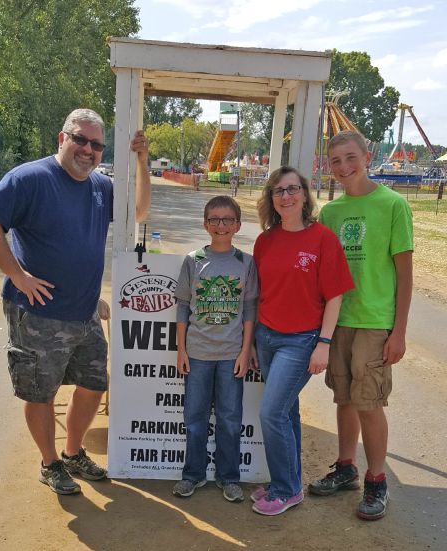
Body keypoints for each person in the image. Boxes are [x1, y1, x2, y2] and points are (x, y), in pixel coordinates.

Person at [0, 108, 151, 495]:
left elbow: (138, 211)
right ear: (61, 138)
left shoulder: (99, 186)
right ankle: (50, 462)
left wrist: (142, 160)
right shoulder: (30, 178)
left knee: (93, 384)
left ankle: (72, 452)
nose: (87, 149)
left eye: (96, 145)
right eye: (80, 139)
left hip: (84, 312)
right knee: (40, 392)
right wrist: (17, 274)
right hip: (38, 313)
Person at [309, 130, 413, 520]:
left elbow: (405, 273)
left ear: (367, 157)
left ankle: (376, 480)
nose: (343, 167)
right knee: (344, 397)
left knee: (369, 402)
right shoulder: (331, 214)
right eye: (335, 161)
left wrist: (398, 331)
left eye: (350, 158)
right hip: (339, 321)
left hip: (374, 321)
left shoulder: (392, 205)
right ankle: (346, 467)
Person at [251, 166, 354, 516]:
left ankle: (285, 490)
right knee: (287, 411)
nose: (286, 196)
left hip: (301, 340)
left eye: (292, 189)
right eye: (278, 191)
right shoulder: (265, 240)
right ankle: (290, 480)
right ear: (271, 198)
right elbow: (262, 293)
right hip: (266, 336)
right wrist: (252, 342)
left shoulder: (322, 238)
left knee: (271, 411)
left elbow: (335, 296)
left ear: (304, 194)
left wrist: (323, 342)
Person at [173, 195, 258, 503]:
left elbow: (249, 308)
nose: (220, 225)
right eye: (214, 220)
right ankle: (192, 474)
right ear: (205, 224)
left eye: (227, 220)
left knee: (230, 418)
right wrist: (181, 349)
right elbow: (182, 306)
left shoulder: (245, 262)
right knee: (194, 417)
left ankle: (229, 476)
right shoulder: (192, 260)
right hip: (197, 353)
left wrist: (246, 350)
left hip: (230, 355)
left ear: (237, 224)